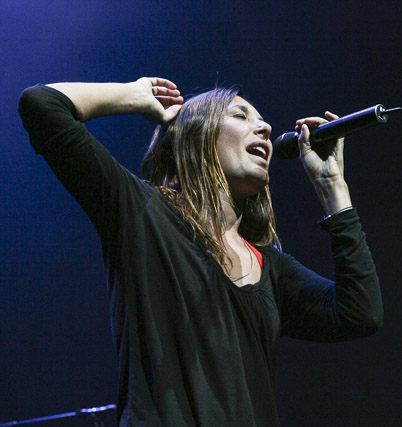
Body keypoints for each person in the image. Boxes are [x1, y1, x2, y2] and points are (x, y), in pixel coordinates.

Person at [18, 77, 383, 426]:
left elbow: (359, 313)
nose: (266, 128)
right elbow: (41, 104)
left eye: (261, 119)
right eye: (240, 116)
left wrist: (332, 187)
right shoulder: (141, 214)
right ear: (197, 136)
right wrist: (134, 95)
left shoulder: (269, 265)